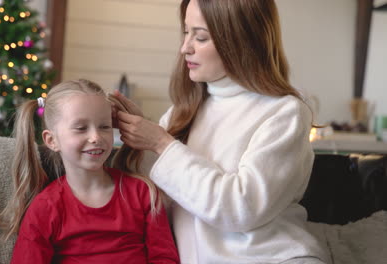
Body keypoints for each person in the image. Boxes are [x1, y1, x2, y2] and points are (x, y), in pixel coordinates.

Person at [111, 0, 330, 263]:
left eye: (200, 37)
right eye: (185, 32)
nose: (185, 48)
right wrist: (139, 135)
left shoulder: (285, 113)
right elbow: (156, 194)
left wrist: (161, 143)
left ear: (240, 40)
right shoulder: (182, 112)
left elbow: (241, 208)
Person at [0, 79, 180, 263]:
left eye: (104, 126)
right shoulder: (45, 207)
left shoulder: (142, 193)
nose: (96, 137)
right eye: (81, 128)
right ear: (52, 140)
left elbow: (165, 258)